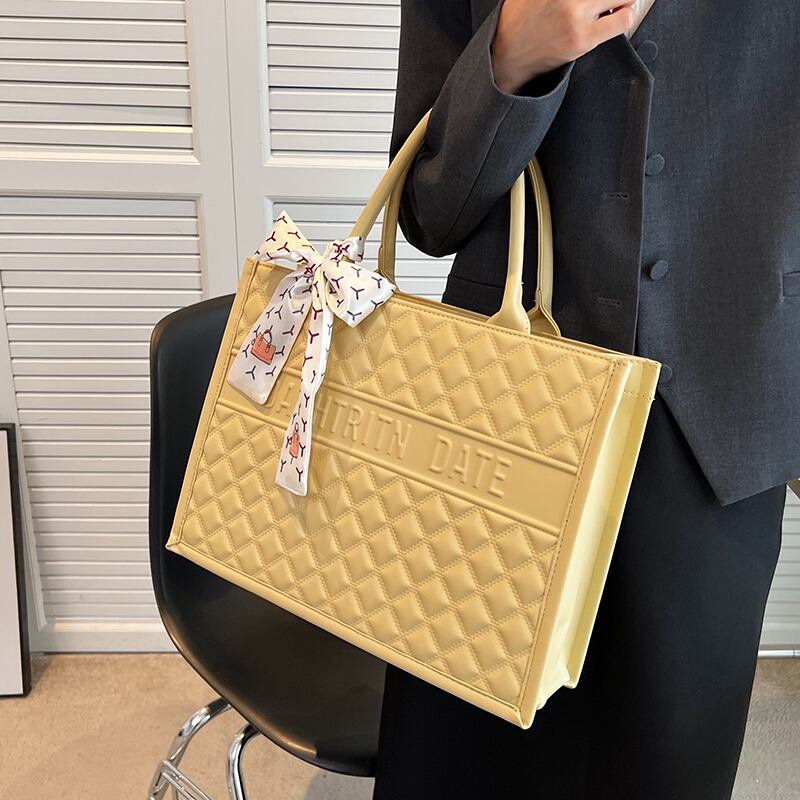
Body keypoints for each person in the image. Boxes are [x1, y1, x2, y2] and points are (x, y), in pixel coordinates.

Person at [371, 1, 799, 798]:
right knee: (469, 759)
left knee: (668, 761)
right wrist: (513, 53)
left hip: (722, 414)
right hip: (495, 416)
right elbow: (429, 211)